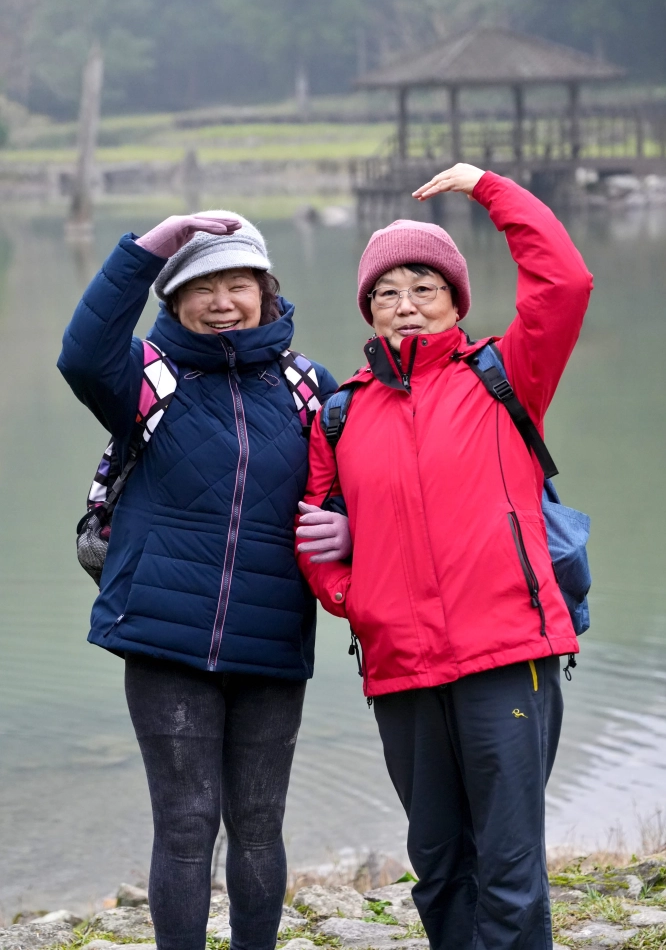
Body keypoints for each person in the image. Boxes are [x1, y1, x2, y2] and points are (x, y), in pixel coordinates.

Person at [296, 164, 593, 950]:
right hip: (401, 666)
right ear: (368, 309)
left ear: (457, 301)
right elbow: (317, 526)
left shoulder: (504, 377)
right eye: (387, 291)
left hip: (509, 654)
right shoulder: (341, 412)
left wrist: (490, 189)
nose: (406, 305)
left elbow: (564, 282)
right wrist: (352, 597)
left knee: (508, 861)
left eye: (424, 286)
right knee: (436, 861)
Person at [57, 211, 350, 950]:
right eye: (200, 286)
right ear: (174, 299)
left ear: (265, 289)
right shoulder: (147, 376)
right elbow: (82, 353)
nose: (221, 300)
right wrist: (151, 245)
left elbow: (353, 485)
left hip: (272, 637)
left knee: (257, 823)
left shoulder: (309, 386)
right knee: (186, 823)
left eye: (237, 283)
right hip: (164, 639)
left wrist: (347, 527)